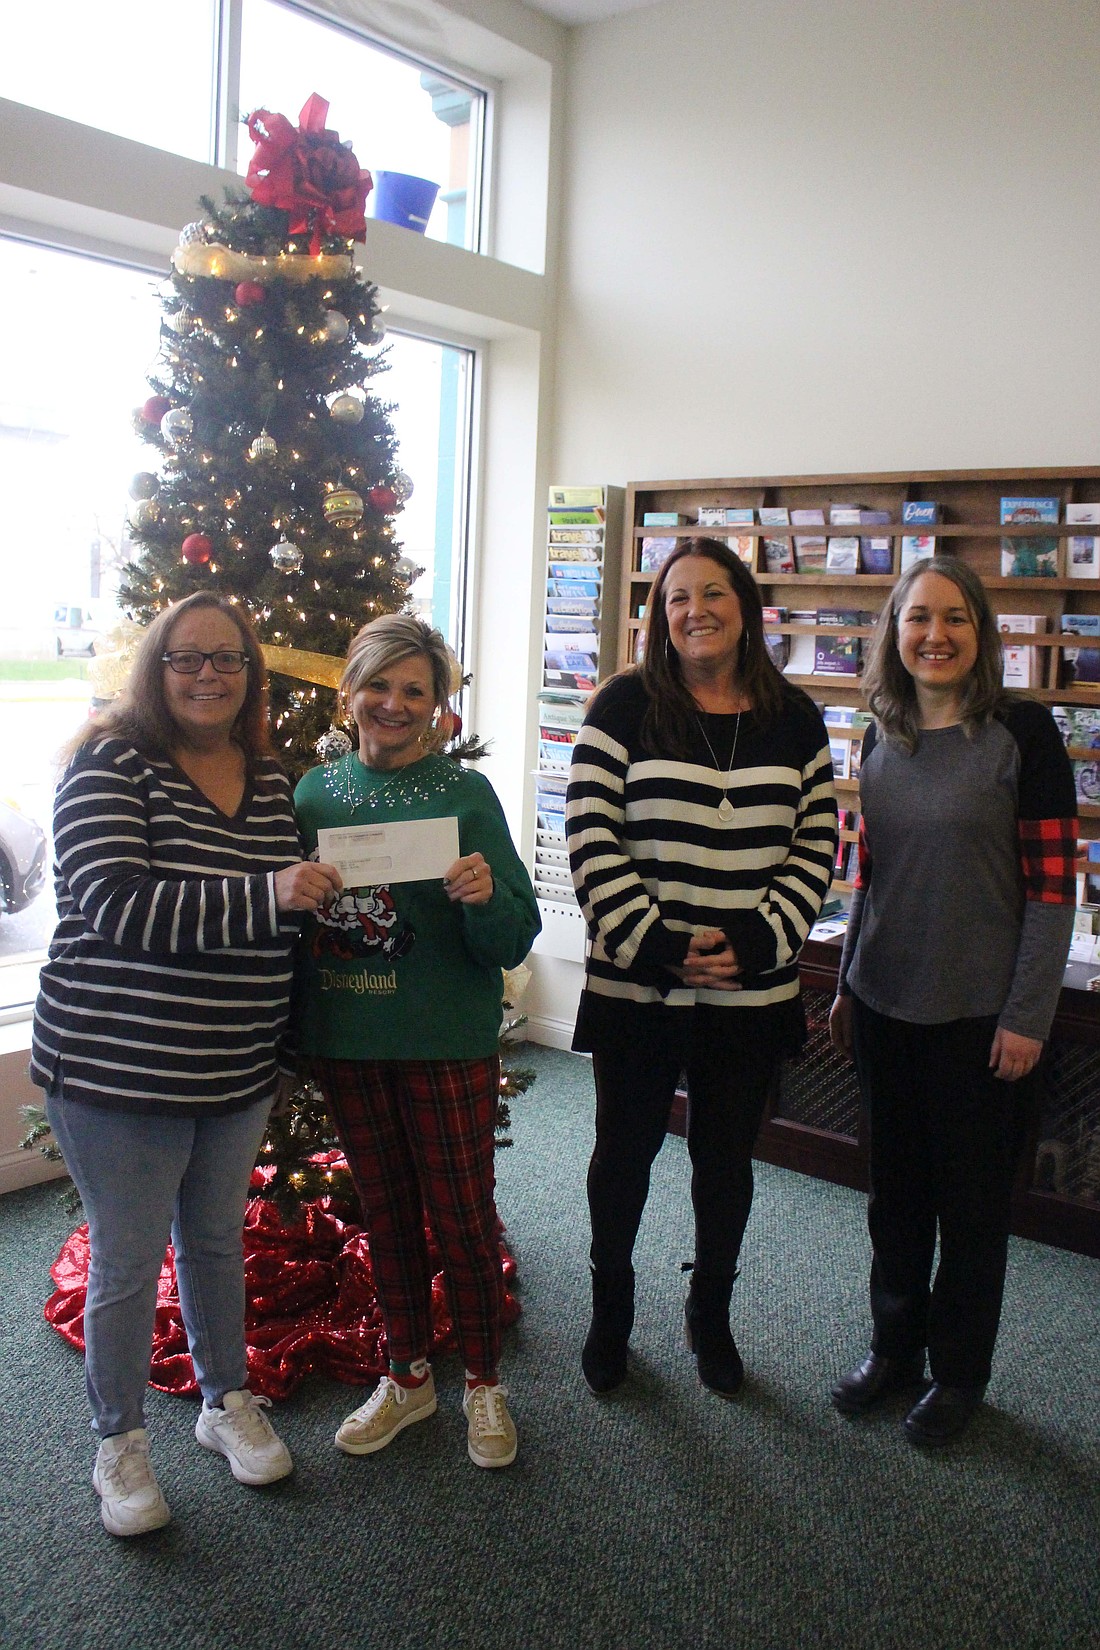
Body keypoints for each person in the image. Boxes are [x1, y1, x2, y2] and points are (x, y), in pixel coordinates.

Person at [31, 592, 342, 1536]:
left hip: (233, 1068)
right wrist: (270, 892)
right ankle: (117, 1444)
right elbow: (120, 904)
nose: (208, 675)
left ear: (251, 673)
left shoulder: (270, 774)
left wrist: (288, 1038)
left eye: (229, 659)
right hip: (116, 1066)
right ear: (154, 669)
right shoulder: (107, 762)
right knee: (126, 1266)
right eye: (186, 658)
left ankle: (222, 1402)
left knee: (213, 1243)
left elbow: (287, 926)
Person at [566, 538, 838, 1397]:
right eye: (677, 597)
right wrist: (661, 944)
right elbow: (590, 832)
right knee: (624, 1155)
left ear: (746, 608)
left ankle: (709, 1314)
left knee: (725, 1163)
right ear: (660, 616)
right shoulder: (622, 706)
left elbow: (816, 847)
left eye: (714, 593)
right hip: (638, 983)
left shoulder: (794, 719)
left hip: (749, 992)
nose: (696, 610)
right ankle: (612, 1313)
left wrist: (755, 944)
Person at [828, 556, 1076, 1445]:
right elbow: (869, 875)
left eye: (955, 618)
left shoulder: (1024, 734)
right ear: (894, 633)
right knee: (893, 1198)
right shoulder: (876, 736)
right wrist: (850, 980)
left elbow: (1053, 890)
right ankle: (893, 1350)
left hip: (980, 1021)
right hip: (885, 1007)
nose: (935, 634)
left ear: (981, 632)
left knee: (970, 1210)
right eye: (918, 618)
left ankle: (958, 1374)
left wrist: (1027, 1017)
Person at [294, 614, 540, 1469]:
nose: (394, 704)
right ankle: (406, 1375)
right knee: (389, 1216)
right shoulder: (313, 794)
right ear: (348, 694)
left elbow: (514, 936)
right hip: (350, 1039)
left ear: (440, 708)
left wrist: (485, 898)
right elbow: (294, 928)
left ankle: (480, 1381)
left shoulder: (465, 795)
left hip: (445, 1041)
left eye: (416, 691)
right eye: (380, 686)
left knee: (464, 1220)